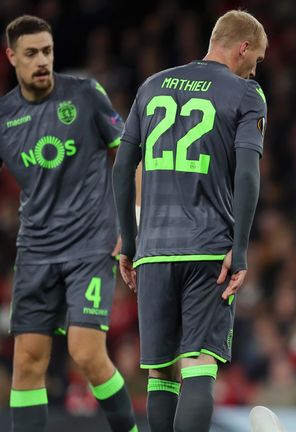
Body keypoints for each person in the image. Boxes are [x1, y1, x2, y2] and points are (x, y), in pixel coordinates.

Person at [112, 9, 267, 432]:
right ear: (243, 46)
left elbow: (123, 168)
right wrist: (239, 249)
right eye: (258, 57)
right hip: (209, 248)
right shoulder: (246, 93)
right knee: (198, 367)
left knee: (161, 373)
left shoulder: (151, 85)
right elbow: (248, 174)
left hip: (154, 250)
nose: (258, 66)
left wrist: (130, 241)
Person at [0, 15, 137, 432]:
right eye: (31, 53)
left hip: (90, 245)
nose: (42, 60)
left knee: (86, 351)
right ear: (11, 57)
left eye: (47, 51)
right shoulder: (4, 116)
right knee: (26, 361)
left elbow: (129, 155)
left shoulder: (84, 94)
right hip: (37, 249)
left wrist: (132, 223)